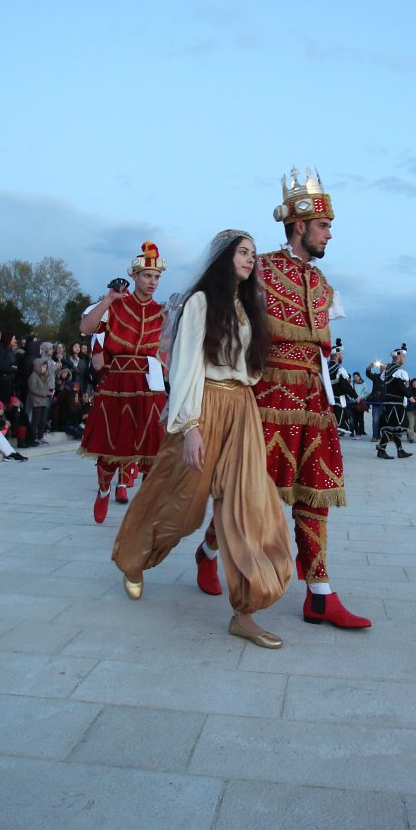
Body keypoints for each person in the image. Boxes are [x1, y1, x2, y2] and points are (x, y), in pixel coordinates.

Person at [112, 230, 293, 648]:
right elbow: (186, 367)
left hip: (242, 408)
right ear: (224, 258)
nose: (250, 259)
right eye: (242, 253)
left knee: (250, 504)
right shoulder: (200, 302)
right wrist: (190, 426)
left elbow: (251, 367)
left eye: (252, 253)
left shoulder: (248, 307)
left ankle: (245, 612)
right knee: (181, 504)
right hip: (204, 405)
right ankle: (133, 558)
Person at [204, 168, 369, 628]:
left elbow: (320, 356)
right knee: (248, 492)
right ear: (300, 226)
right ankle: (207, 549)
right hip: (266, 396)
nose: (329, 235)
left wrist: (331, 401)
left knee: (313, 496)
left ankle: (320, 594)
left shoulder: (322, 287)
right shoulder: (259, 270)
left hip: (313, 402)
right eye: (323, 227)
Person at [77, 242, 169, 522]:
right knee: (111, 445)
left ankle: (143, 504)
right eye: (146, 276)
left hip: (149, 383)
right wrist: (108, 299)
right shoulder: (116, 305)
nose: (151, 282)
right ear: (134, 277)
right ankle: (104, 489)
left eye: (156, 277)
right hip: (117, 381)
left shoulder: (162, 312)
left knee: (153, 447)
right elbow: (85, 328)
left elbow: (169, 350)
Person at [373, 344, 413, 459]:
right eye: (403, 357)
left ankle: (400, 450)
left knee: (395, 427)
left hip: (388, 402)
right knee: (393, 427)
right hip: (396, 403)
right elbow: (402, 387)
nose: (404, 359)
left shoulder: (387, 369)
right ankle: (381, 449)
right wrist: (410, 397)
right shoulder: (399, 371)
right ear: (399, 357)